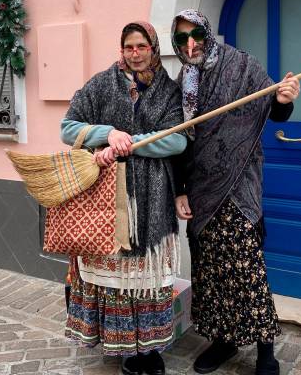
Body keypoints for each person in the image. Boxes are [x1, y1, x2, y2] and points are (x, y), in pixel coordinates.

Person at [170, 9, 300, 375]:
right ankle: (223, 341)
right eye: (181, 39)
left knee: (248, 270)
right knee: (210, 272)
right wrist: (180, 189)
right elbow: (180, 142)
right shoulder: (183, 81)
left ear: (207, 32)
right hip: (201, 190)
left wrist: (285, 99)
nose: (190, 43)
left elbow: (274, 111)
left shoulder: (243, 65)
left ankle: (265, 352)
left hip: (240, 187)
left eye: (195, 34)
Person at [61, 21, 187, 375]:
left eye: (142, 47)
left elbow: (177, 139)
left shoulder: (167, 90)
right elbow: (68, 127)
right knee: (114, 276)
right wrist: (107, 134)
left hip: (153, 198)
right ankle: (126, 348)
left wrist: (129, 143)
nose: (135, 54)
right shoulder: (102, 84)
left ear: (153, 48)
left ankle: (150, 350)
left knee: (147, 276)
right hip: (107, 199)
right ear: (122, 49)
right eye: (129, 47)